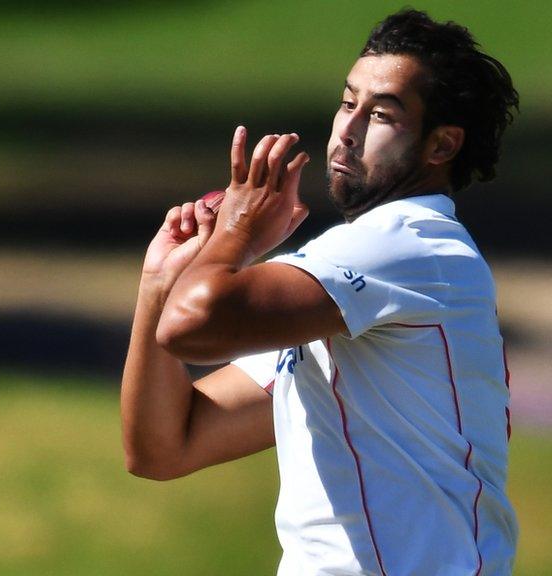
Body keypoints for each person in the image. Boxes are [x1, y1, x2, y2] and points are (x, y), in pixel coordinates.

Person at [120, 9, 519, 575]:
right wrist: (159, 282)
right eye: (347, 102)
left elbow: (192, 325)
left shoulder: (409, 243)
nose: (347, 130)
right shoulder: (344, 284)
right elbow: (162, 447)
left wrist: (235, 231)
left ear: (441, 146)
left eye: (380, 114)